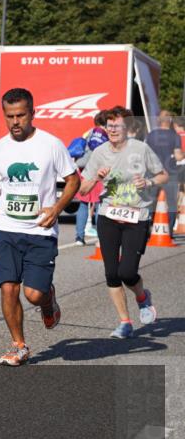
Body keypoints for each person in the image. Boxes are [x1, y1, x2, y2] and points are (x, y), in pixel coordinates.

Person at [0, 88, 79, 366]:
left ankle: (48, 299)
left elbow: (73, 180)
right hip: (6, 229)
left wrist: (56, 209)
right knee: (8, 288)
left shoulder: (51, 145)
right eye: (9, 116)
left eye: (21, 115)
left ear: (33, 113)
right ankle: (19, 345)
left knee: (33, 294)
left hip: (40, 231)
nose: (15, 122)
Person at [80, 107, 168, 338]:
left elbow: (163, 175)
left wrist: (148, 183)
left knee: (127, 272)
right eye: (109, 126)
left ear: (128, 128)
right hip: (108, 216)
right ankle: (125, 322)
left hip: (136, 217)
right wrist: (97, 178)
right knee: (111, 273)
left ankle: (142, 297)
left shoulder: (141, 149)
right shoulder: (99, 153)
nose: (112, 130)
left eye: (117, 126)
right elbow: (83, 188)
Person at [145, 110, 183, 232]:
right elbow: (178, 156)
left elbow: (145, 154)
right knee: (171, 203)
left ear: (158, 121)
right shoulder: (174, 136)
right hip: (170, 173)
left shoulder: (151, 135)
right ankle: (169, 231)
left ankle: (146, 230)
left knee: (150, 201)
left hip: (153, 173)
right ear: (170, 121)